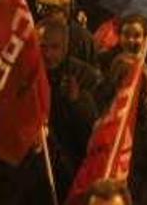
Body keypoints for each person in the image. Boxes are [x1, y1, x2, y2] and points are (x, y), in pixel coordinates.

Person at [39, 16, 101, 189]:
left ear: (65, 48)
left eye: (55, 47)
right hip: (38, 168)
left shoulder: (86, 77)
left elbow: (93, 132)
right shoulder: (28, 73)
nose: (48, 54)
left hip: (72, 167)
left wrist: (76, 102)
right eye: (43, 47)